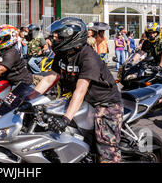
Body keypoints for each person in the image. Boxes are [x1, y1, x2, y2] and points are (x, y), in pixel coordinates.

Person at [33, 17, 123, 163]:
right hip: (82, 100)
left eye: (59, 37)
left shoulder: (88, 57)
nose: (54, 39)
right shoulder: (63, 53)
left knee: (106, 151)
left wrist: (66, 118)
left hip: (105, 103)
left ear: (71, 38)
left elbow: (80, 90)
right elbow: (50, 78)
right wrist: (29, 99)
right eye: (55, 36)